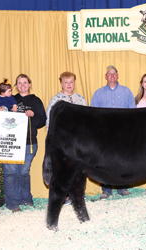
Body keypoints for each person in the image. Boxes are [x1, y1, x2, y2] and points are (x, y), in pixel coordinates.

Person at [2, 74, 46, 212]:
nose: (22, 85)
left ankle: (26, 200)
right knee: (10, 173)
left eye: (25, 82)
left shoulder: (36, 101)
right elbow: (0, 115)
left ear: (29, 84)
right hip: (10, 141)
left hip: (29, 142)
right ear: (16, 85)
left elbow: (42, 121)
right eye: (19, 83)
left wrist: (33, 115)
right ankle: (12, 203)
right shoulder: (10, 99)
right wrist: (1, 110)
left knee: (23, 173)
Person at [91, 65, 136, 199]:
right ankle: (106, 190)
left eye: (114, 73)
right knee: (104, 162)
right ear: (105, 76)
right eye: (109, 74)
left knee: (124, 160)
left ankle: (122, 188)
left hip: (123, 132)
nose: (112, 76)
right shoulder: (98, 93)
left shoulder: (126, 91)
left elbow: (132, 112)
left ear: (117, 75)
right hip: (105, 134)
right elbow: (93, 114)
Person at [46, 71, 88, 205]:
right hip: (63, 141)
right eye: (66, 82)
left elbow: (87, 119)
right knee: (64, 168)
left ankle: (78, 194)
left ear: (74, 83)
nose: (69, 84)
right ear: (61, 83)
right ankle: (65, 196)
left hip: (79, 141)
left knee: (80, 168)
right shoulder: (56, 100)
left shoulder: (81, 99)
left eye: (71, 82)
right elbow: (49, 120)